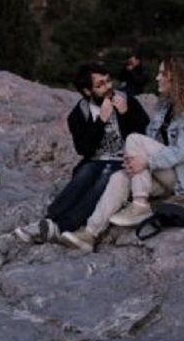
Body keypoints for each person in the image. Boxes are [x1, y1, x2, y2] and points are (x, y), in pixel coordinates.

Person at [60, 54, 184, 252]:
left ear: (177, 78)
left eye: (163, 73)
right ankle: (90, 233)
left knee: (134, 139)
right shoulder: (165, 106)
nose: (156, 78)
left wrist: (147, 161)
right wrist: (138, 163)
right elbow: (151, 141)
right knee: (121, 176)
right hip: (167, 174)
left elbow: (183, 151)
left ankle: (139, 204)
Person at [15, 62, 150, 245]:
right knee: (84, 175)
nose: (108, 87)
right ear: (87, 91)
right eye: (100, 85)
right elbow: (84, 149)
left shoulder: (128, 101)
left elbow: (143, 134)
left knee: (104, 177)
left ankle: (62, 226)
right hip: (96, 160)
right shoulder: (79, 114)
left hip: (125, 161)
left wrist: (125, 113)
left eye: (108, 81)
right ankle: (48, 220)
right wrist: (101, 120)